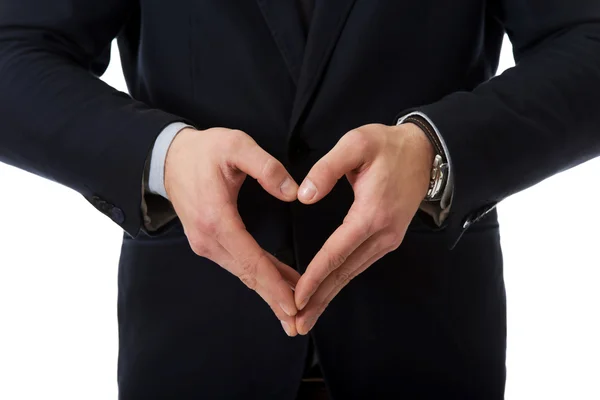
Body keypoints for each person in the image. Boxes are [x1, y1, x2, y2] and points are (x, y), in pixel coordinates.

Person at [1, 0, 599, 399]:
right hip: (195, 349)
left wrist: (434, 150)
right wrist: (163, 157)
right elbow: (12, 52)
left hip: (427, 348)